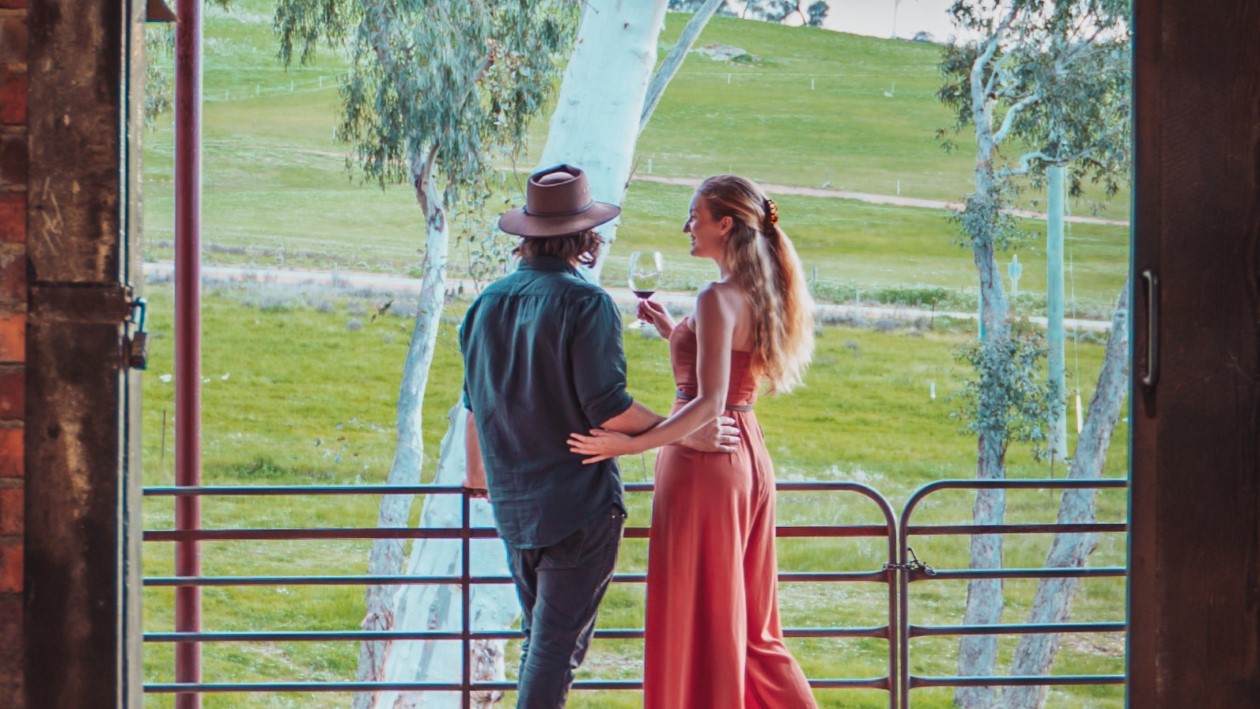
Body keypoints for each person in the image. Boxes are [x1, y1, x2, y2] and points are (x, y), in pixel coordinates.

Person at [459, 164, 737, 708]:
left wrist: (477, 477)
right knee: (553, 652)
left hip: (514, 510)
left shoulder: (485, 304)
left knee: (538, 643)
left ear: (527, 236)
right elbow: (609, 408)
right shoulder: (587, 304)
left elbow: (473, 405)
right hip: (577, 508)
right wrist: (683, 434)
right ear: (586, 237)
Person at [568, 175, 818, 708]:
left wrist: (629, 446)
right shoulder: (758, 290)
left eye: (694, 216)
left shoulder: (714, 297)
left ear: (725, 224)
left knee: (694, 611)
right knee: (750, 623)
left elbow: (706, 403)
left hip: (706, 461)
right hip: (747, 452)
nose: (687, 226)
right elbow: (728, 374)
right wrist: (672, 333)